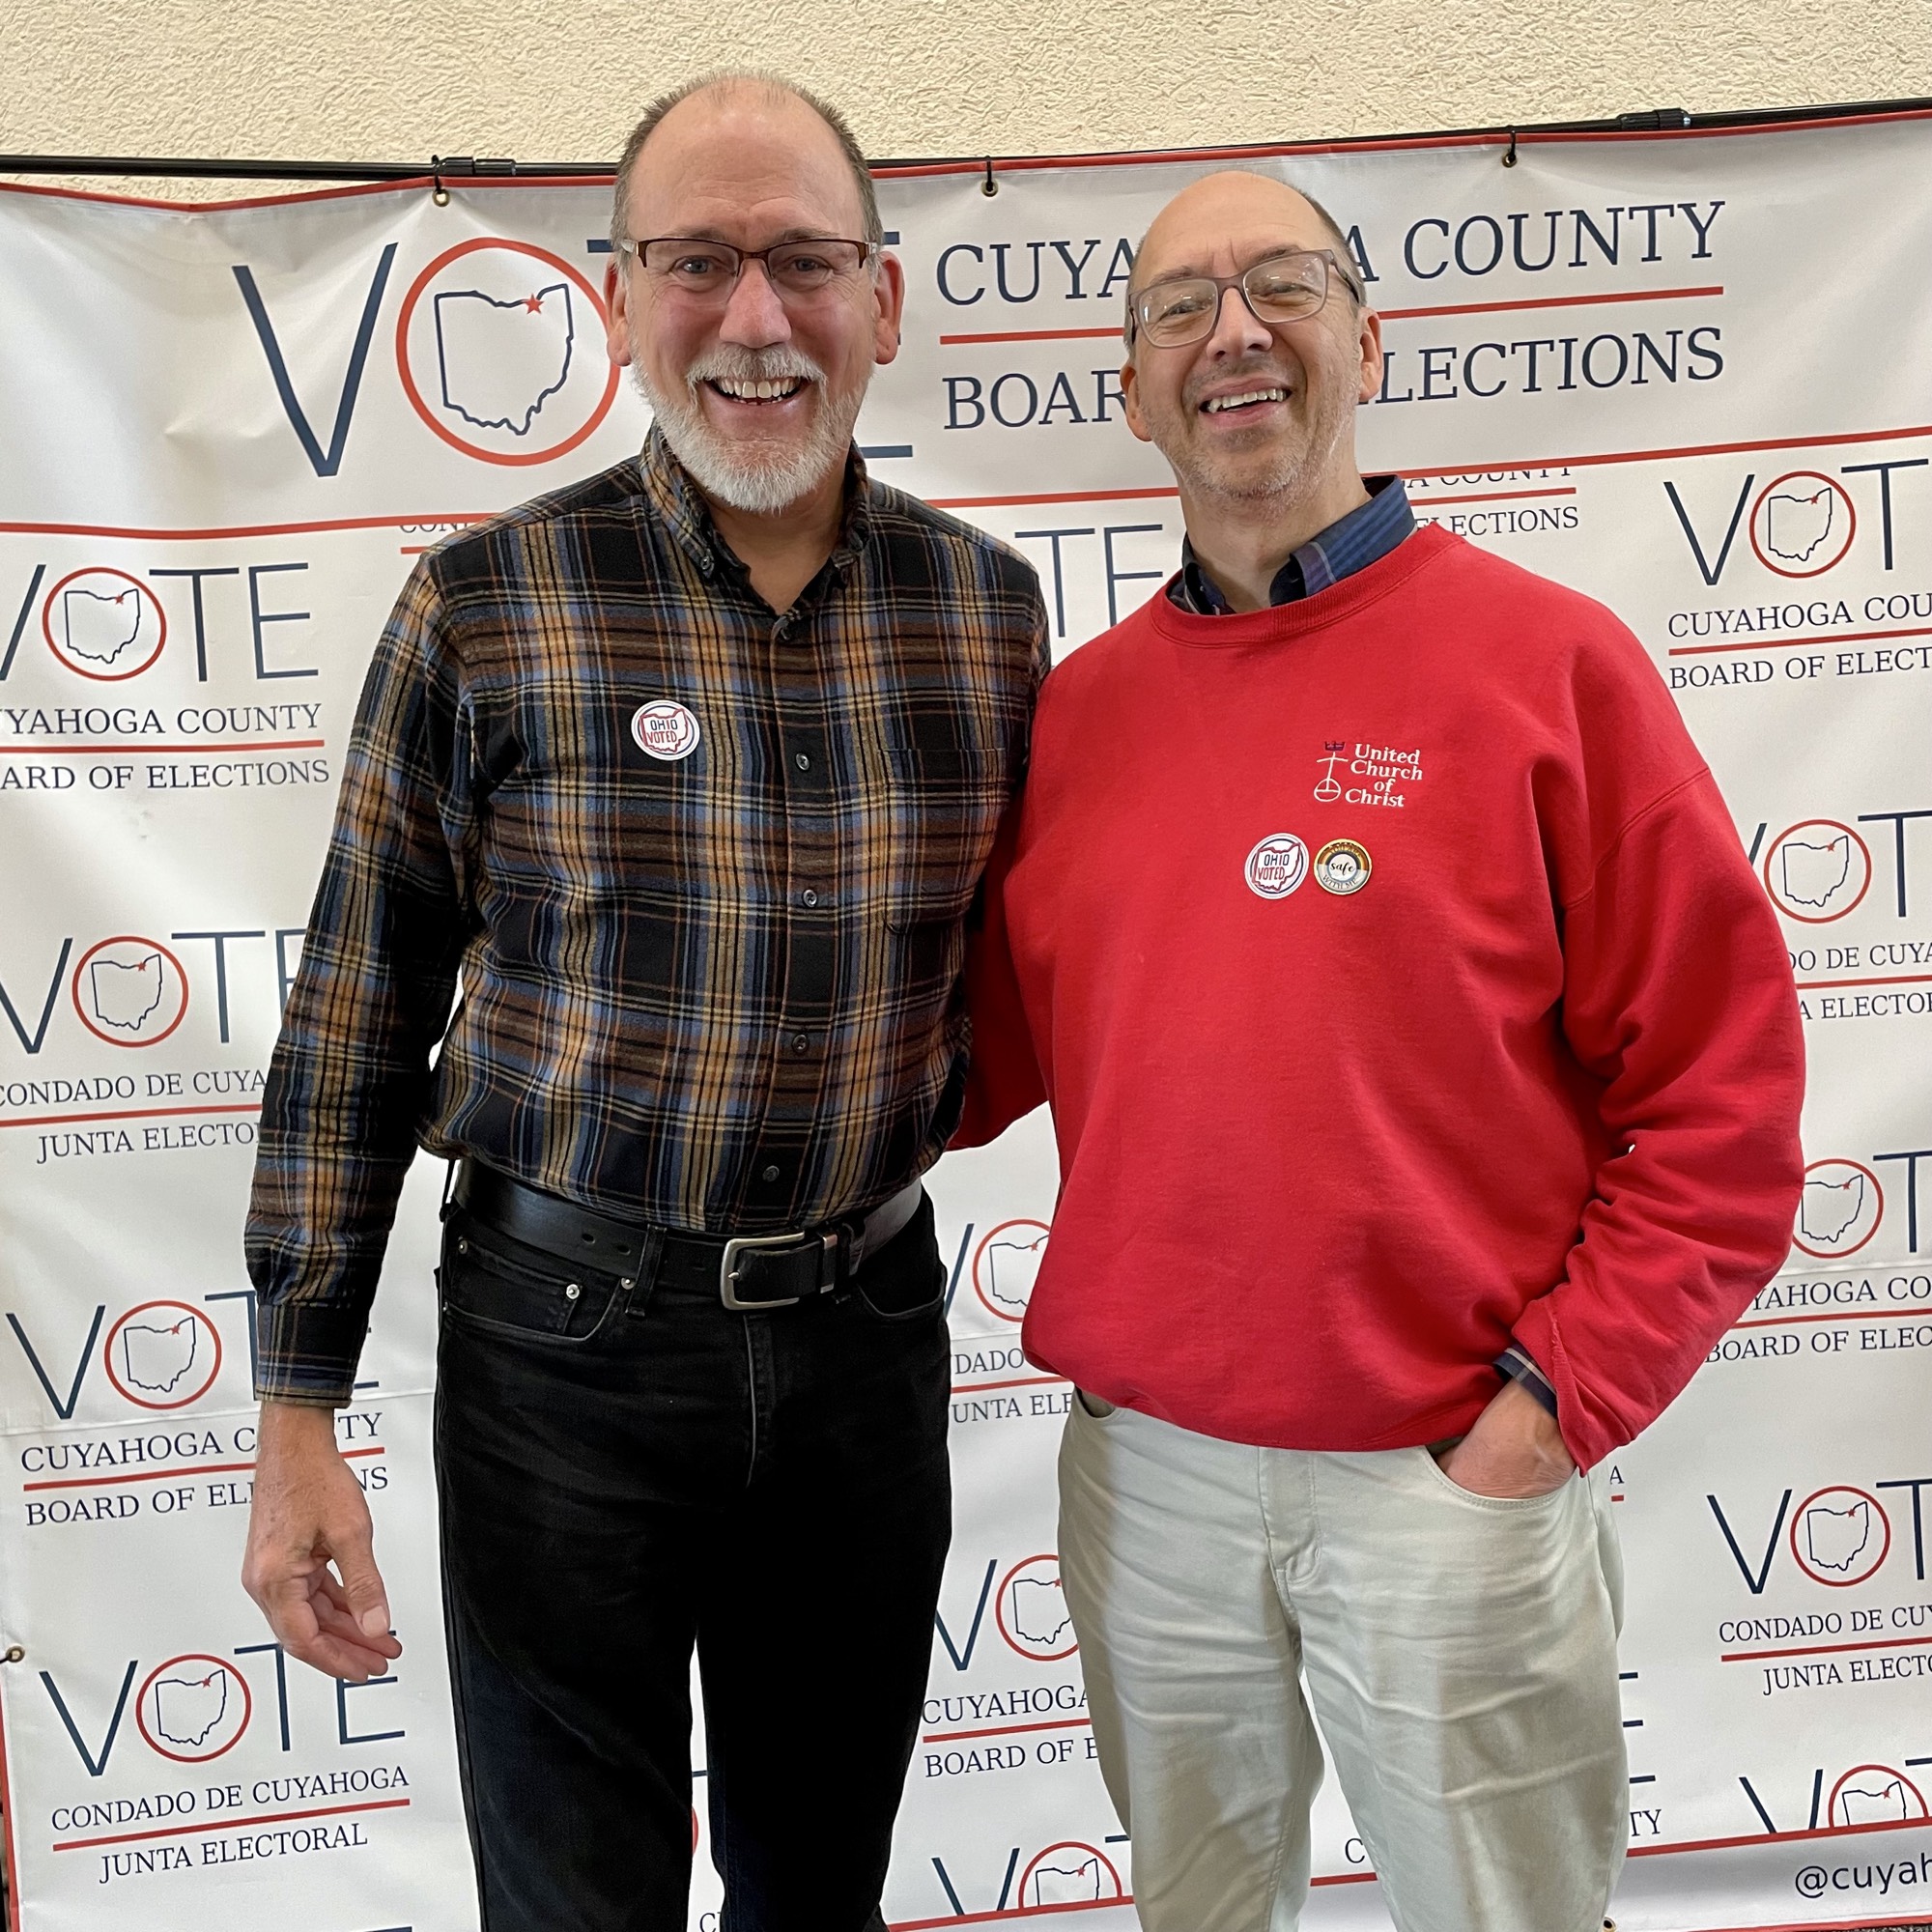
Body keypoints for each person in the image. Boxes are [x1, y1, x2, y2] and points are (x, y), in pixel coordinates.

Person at [242, 71, 1047, 1932]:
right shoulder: (485, 607)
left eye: (804, 262)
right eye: (698, 262)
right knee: (571, 1906)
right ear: (617, 301)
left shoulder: (987, 617)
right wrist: (296, 1412)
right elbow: (355, 1018)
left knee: (816, 1893)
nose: (755, 318)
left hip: (864, 1344)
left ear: (883, 300)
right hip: (559, 1357)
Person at [955, 169, 1804, 1932]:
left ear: (1370, 339)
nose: (1233, 334)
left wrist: (1547, 1411)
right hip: (1151, 1484)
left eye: (1282, 285)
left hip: (1448, 1478)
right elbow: (961, 1064)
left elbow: (1719, 1107)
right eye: (1180, 307)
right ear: (1133, 390)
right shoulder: (1080, 716)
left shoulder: (1551, 669)